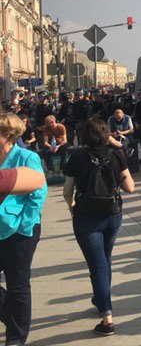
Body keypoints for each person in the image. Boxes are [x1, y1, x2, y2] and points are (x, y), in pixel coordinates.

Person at [62, 117, 135, 336]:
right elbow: (130, 187)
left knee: (97, 265)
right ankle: (101, 298)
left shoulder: (77, 157)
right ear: (106, 133)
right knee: (105, 258)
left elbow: (67, 190)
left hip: (86, 216)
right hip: (112, 214)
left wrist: (71, 207)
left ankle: (107, 317)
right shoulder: (116, 154)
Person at [0, 112, 48, 346]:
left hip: (19, 231)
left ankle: (16, 338)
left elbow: (39, 193)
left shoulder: (27, 156)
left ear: (7, 135)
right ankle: (15, 320)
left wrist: (24, 225)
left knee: (17, 285)